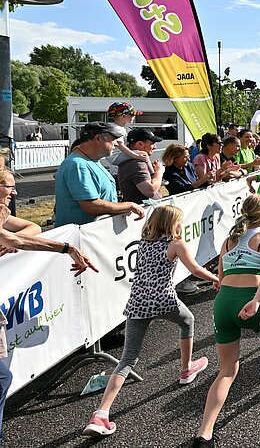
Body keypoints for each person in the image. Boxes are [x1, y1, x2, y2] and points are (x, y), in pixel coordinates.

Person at [83, 206, 219, 437]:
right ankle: (186, 369)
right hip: (164, 300)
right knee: (187, 322)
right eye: (180, 221)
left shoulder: (144, 243)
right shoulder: (176, 244)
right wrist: (217, 278)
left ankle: (101, 414)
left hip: (138, 302)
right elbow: (195, 269)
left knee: (128, 359)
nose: (182, 225)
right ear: (173, 224)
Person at [0, 171, 97, 443]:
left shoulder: (3, 210)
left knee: (2, 378)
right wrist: (66, 248)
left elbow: (29, 230)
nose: (15, 192)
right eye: (10, 186)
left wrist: (5, 236)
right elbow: (17, 240)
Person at [193, 195, 260, 447]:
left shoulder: (229, 241)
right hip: (248, 298)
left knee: (227, 370)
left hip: (223, 302)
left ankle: (204, 435)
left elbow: (220, 273)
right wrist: (258, 299)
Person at [55, 122, 146, 226]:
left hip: (93, 234)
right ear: (98, 138)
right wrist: (128, 206)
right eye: (113, 139)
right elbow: (91, 206)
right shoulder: (77, 165)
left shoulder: (90, 161)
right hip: (82, 238)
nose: (116, 144)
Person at [117, 128, 165, 204]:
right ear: (140, 144)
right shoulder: (136, 164)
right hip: (142, 212)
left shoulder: (135, 163)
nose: (155, 147)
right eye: (152, 143)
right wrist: (159, 172)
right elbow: (150, 191)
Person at [103, 102, 147, 176]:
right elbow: (121, 146)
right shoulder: (118, 129)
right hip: (116, 157)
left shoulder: (115, 127)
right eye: (132, 115)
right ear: (123, 116)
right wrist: (136, 156)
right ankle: (151, 174)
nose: (134, 117)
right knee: (143, 154)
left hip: (114, 157)